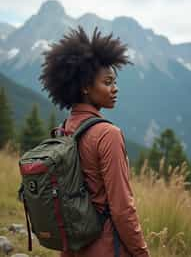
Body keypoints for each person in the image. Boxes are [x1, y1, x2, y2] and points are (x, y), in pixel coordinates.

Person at [40, 26, 150, 257]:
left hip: (73, 246)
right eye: (108, 82)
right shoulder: (107, 134)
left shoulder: (63, 129)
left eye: (114, 81)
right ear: (85, 87)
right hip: (107, 247)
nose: (115, 88)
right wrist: (141, 253)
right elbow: (122, 209)